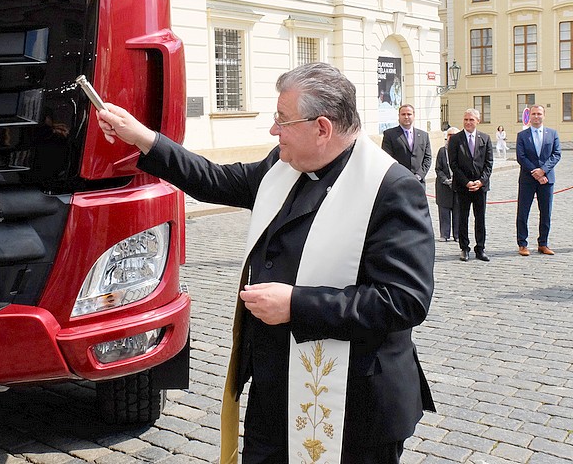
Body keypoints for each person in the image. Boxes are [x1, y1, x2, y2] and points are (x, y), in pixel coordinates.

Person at [96, 63, 435, 464]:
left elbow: (404, 300)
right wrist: (146, 140)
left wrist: (296, 304)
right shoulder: (285, 164)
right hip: (276, 387)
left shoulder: (392, 189)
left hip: (354, 403)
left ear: (322, 128)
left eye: (282, 120)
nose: (274, 130)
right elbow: (216, 180)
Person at [515, 105, 562, 256]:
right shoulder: (522, 135)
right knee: (523, 212)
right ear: (530, 116)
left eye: (539, 114)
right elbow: (521, 157)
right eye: (534, 114)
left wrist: (543, 171)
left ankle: (543, 243)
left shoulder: (552, 134)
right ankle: (522, 244)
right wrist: (535, 173)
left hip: (547, 179)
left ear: (544, 115)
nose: (536, 116)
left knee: (546, 212)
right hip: (527, 179)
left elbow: (556, 154)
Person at [447, 108, 493, 262]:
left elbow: (489, 163)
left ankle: (480, 248)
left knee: (480, 218)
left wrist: (481, 181)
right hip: (463, 186)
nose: (468, 122)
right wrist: (466, 182)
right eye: (466, 119)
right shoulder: (455, 139)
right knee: (463, 218)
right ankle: (464, 248)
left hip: (480, 187)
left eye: (471, 119)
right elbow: (453, 164)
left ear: (478, 121)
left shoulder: (485, 139)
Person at [381, 104, 432, 185]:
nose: (406, 117)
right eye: (403, 114)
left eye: (409, 114)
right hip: (398, 182)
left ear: (414, 116)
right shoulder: (389, 134)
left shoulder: (424, 135)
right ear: (399, 116)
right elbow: (387, 158)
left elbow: (427, 158)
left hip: (419, 182)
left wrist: (419, 176)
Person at [435, 127, 460, 242]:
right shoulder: (441, 151)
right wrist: (445, 179)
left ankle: (457, 234)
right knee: (444, 211)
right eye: (450, 135)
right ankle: (444, 234)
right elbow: (438, 168)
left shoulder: (461, 150)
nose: (452, 138)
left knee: (458, 211)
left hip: (458, 185)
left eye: (455, 135)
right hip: (444, 186)